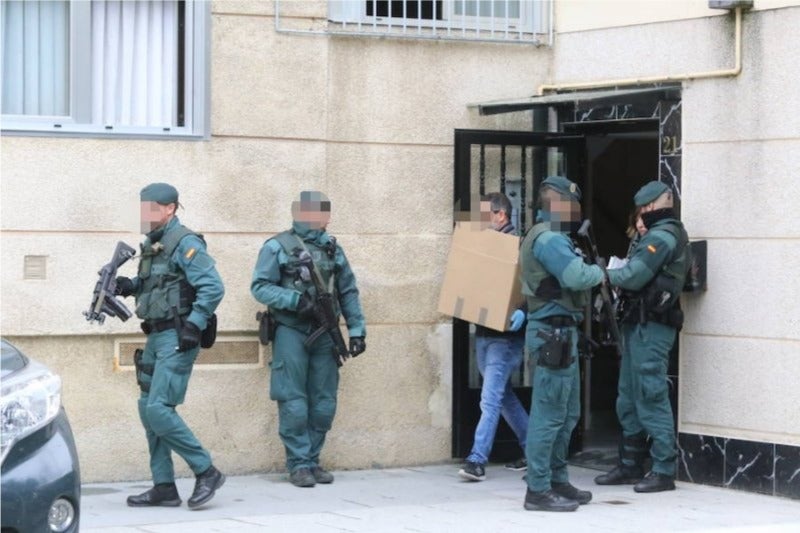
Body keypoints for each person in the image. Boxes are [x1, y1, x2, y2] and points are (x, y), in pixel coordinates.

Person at [116, 183, 226, 509]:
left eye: (152, 207)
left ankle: (207, 471)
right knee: (147, 410)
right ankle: (164, 486)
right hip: (155, 337)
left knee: (158, 410)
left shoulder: (185, 243)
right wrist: (130, 286)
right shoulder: (154, 245)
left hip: (178, 337)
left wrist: (196, 323)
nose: (145, 213)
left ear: (170, 209)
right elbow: (158, 286)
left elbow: (212, 287)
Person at [251, 191, 366, 488]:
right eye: (323, 212)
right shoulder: (278, 246)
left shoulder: (332, 248)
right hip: (292, 330)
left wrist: (356, 330)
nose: (327, 218)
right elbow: (260, 287)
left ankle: (313, 459)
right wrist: (294, 300)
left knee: (324, 400)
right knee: (293, 399)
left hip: (326, 332)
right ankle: (299, 464)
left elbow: (348, 290)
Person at [594, 181, 690, 493]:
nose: (641, 215)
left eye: (645, 209)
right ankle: (630, 464)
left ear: (653, 207)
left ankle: (663, 468)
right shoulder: (651, 235)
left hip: (654, 326)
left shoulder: (662, 237)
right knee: (628, 395)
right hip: (638, 323)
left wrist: (603, 274)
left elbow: (635, 274)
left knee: (650, 393)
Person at [520, 176, 604, 512]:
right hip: (551, 333)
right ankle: (537, 489)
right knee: (550, 414)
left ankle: (557, 479)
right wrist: (600, 271)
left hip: (561, 331)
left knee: (567, 414)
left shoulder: (552, 236)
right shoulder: (550, 240)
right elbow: (576, 277)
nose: (574, 211)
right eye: (570, 204)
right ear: (556, 204)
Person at [458, 193, 528, 482]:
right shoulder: (486, 247)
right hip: (486, 332)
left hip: (506, 337)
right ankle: (533, 448)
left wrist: (525, 312)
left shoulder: (520, 248)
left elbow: (534, 287)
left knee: (490, 399)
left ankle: (477, 459)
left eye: (485, 214)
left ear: (501, 215)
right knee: (502, 396)